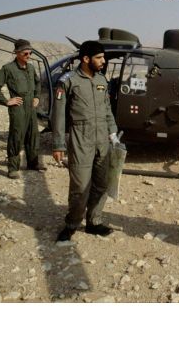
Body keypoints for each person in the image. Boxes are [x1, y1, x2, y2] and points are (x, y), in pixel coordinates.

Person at [53, 40, 119, 241]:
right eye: (99, 58)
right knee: (80, 186)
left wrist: (113, 133)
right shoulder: (68, 81)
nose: (103, 61)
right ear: (86, 59)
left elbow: (107, 109)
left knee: (101, 184)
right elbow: (58, 116)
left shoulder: (101, 80)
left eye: (103, 57)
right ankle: (72, 223)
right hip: (80, 137)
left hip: (103, 139)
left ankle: (94, 222)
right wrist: (58, 144)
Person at [0, 39, 45, 179]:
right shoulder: (8, 69)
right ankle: (13, 168)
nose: (28, 54)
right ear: (17, 53)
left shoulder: (31, 68)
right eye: (25, 52)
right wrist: (6, 101)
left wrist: (37, 97)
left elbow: (38, 83)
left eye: (30, 52)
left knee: (33, 135)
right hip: (18, 107)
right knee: (16, 136)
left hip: (31, 107)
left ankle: (33, 163)